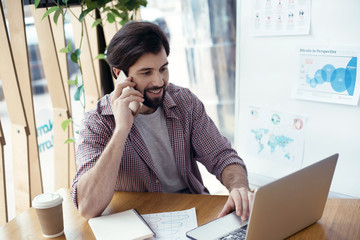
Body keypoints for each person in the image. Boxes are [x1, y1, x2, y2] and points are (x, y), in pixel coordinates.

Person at [71, 21, 253, 220]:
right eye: (146, 72)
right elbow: (87, 207)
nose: (159, 81)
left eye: (163, 69)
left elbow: (222, 157)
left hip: (194, 214)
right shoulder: (97, 122)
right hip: (139, 224)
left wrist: (239, 187)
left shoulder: (185, 102)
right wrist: (121, 129)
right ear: (119, 73)